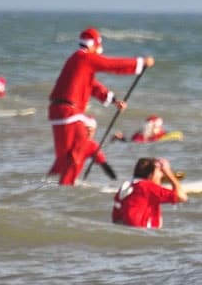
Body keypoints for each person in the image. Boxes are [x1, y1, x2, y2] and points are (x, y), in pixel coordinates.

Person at [47, 27, 154, 185]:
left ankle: (50, 188)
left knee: (65, 158)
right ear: (94, 45)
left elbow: (92, 85)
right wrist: (140, 63)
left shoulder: (77, 60)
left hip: (59, 113)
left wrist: (114, 101)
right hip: (69, 113)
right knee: (81, 147)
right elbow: (111, 65)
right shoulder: (84, 58)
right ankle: (67, 188)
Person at [111, 157, 187, 229]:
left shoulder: (126, 186)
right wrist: (168, 172)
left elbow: (116, 218)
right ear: (151, 175)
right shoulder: (148, 187)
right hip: (145, 232)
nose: (162, 175)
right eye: (160, 171)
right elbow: (182, 197)